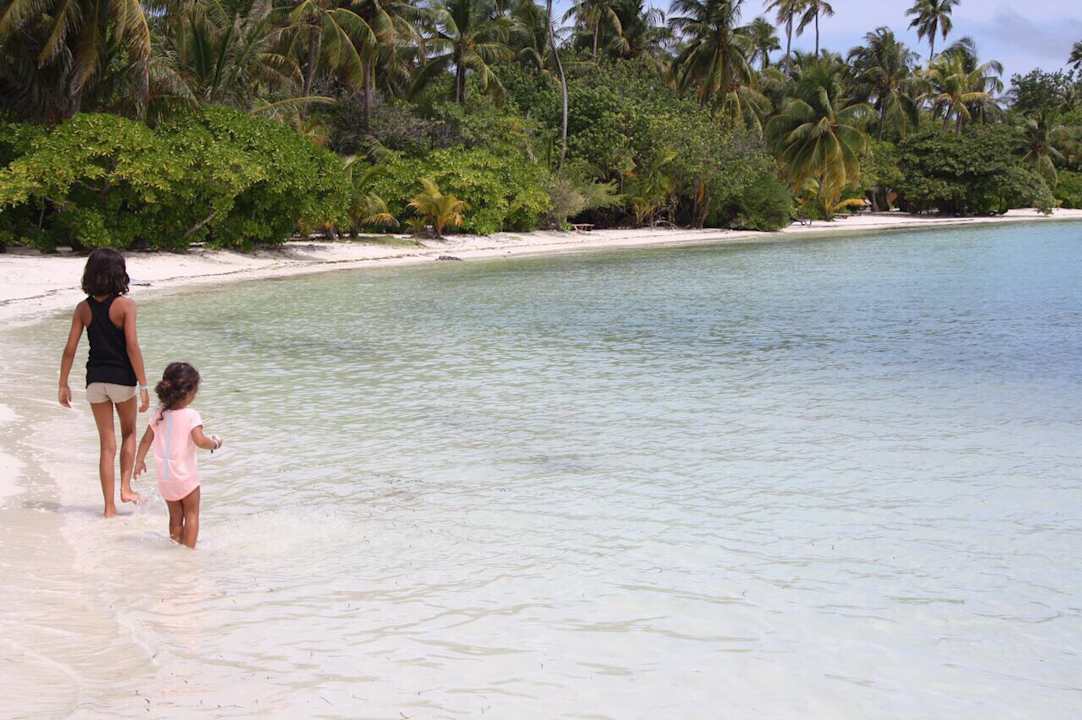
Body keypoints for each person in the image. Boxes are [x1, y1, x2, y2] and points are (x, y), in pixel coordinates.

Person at [58, 249, 151, 517]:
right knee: (130, 433)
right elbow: (132, 347)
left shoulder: (83, 308)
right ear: (118, 274)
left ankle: (109, 509)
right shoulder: (126, 306)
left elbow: (69, 349)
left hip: (94, 382)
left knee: (106, 445)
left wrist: (63, 384)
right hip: (122, 380)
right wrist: (144, 386)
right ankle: (125, 488)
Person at [134, 362, 222, 548]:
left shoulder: (159, 414)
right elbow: (199, 440)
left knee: (175, 518)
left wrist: (139, 461)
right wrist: (214, 443)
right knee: (191, 515)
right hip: (185, 477)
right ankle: (188, 554)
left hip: (165, 478)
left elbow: (145, 440)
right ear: (189, 392)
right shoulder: (192, 415)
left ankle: (175, 547)